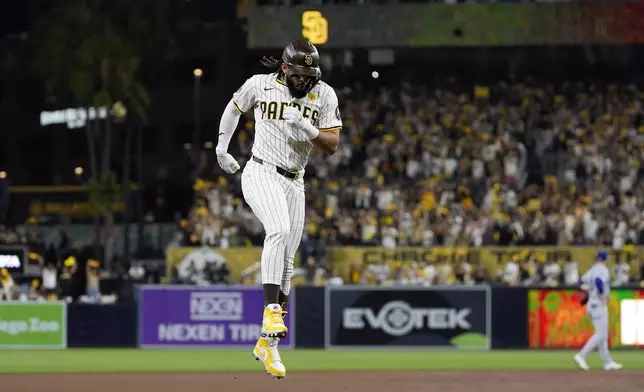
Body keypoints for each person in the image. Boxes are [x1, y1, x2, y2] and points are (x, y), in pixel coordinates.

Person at [216, 39, 342, 379]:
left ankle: (266, 345)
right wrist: (221, 148)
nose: (304, 81)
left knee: (288, 258)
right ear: (285, 69)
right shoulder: (260, 84)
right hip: (260, 169)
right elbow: (234, 107)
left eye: (309, 74)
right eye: (299, 74)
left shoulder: (325, 94)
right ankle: (272, 309)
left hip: (295, 179)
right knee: (278, 231)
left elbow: (331, 145)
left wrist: (305, 125)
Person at [573, 250, 623, 371]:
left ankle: (607, 362)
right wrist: (600, 294)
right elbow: (598, 281)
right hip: (599, 304)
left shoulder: (592, 269)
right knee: (600, 335)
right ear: (605, 259)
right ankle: (581, 355)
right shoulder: (603, 269)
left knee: (603, 334)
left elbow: (582, 282)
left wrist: (589, 291)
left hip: (591, 304)